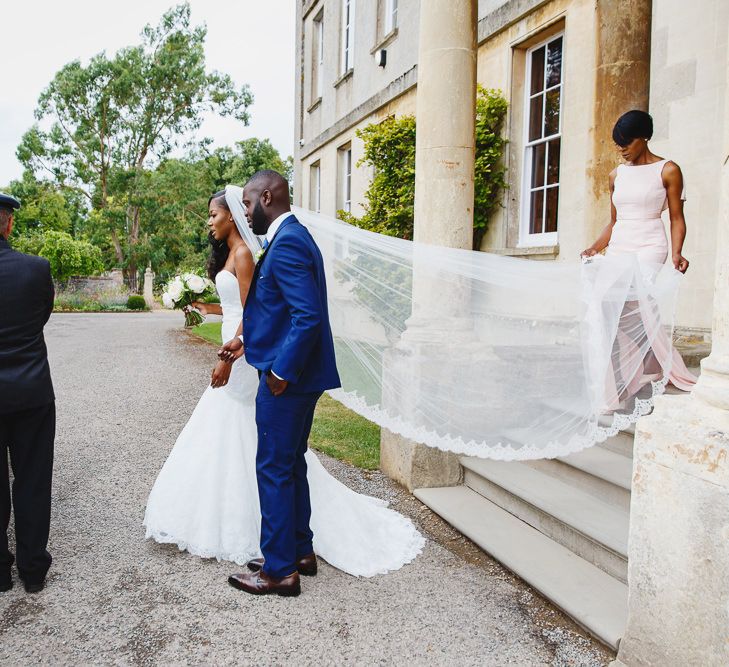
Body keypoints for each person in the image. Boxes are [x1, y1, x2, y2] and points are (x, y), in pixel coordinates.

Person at [143, 184, 423, 594]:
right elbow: (275, 310)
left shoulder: (288, 243)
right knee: (291, 463)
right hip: (296, 375)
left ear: (267, 199)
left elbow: (307, 317)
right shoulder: (293, 237)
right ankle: (299, 550)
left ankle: (279, 571)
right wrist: (243, 341)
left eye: (247, 204)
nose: (245, 212)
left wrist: (280, 372)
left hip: (288, 380)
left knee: (273, 466)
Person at [581, 109, 696, 403]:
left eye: (626, 143)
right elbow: (614, 222)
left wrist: (677, 251)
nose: (621, 149)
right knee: (607, 307)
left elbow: (676, 217)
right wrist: (595, 247)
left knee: (636, 303)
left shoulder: (668, 170)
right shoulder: (615, 175)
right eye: (617, 144)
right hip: (620, 245)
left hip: (649, 245)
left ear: (643, 137)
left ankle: (645, 365)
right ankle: (644, 367)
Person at [0, 192, 55, 593]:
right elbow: (42, 316)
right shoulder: (36, 269)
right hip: (31, 391)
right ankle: (33, 570)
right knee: (33, 480)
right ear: (9, 223)